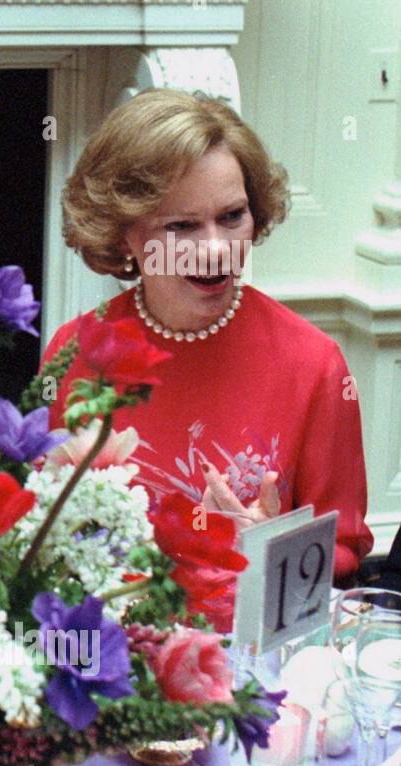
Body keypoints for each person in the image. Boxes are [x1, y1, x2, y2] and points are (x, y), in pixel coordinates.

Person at [45, 88, 372, 581]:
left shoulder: (314, 363)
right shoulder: (77, 354)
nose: (217, 250)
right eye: (182, 226)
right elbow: (44, 534)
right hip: (116, 645)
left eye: (231, 217)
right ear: (124, 235)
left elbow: (345, 547)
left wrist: (271, 549)